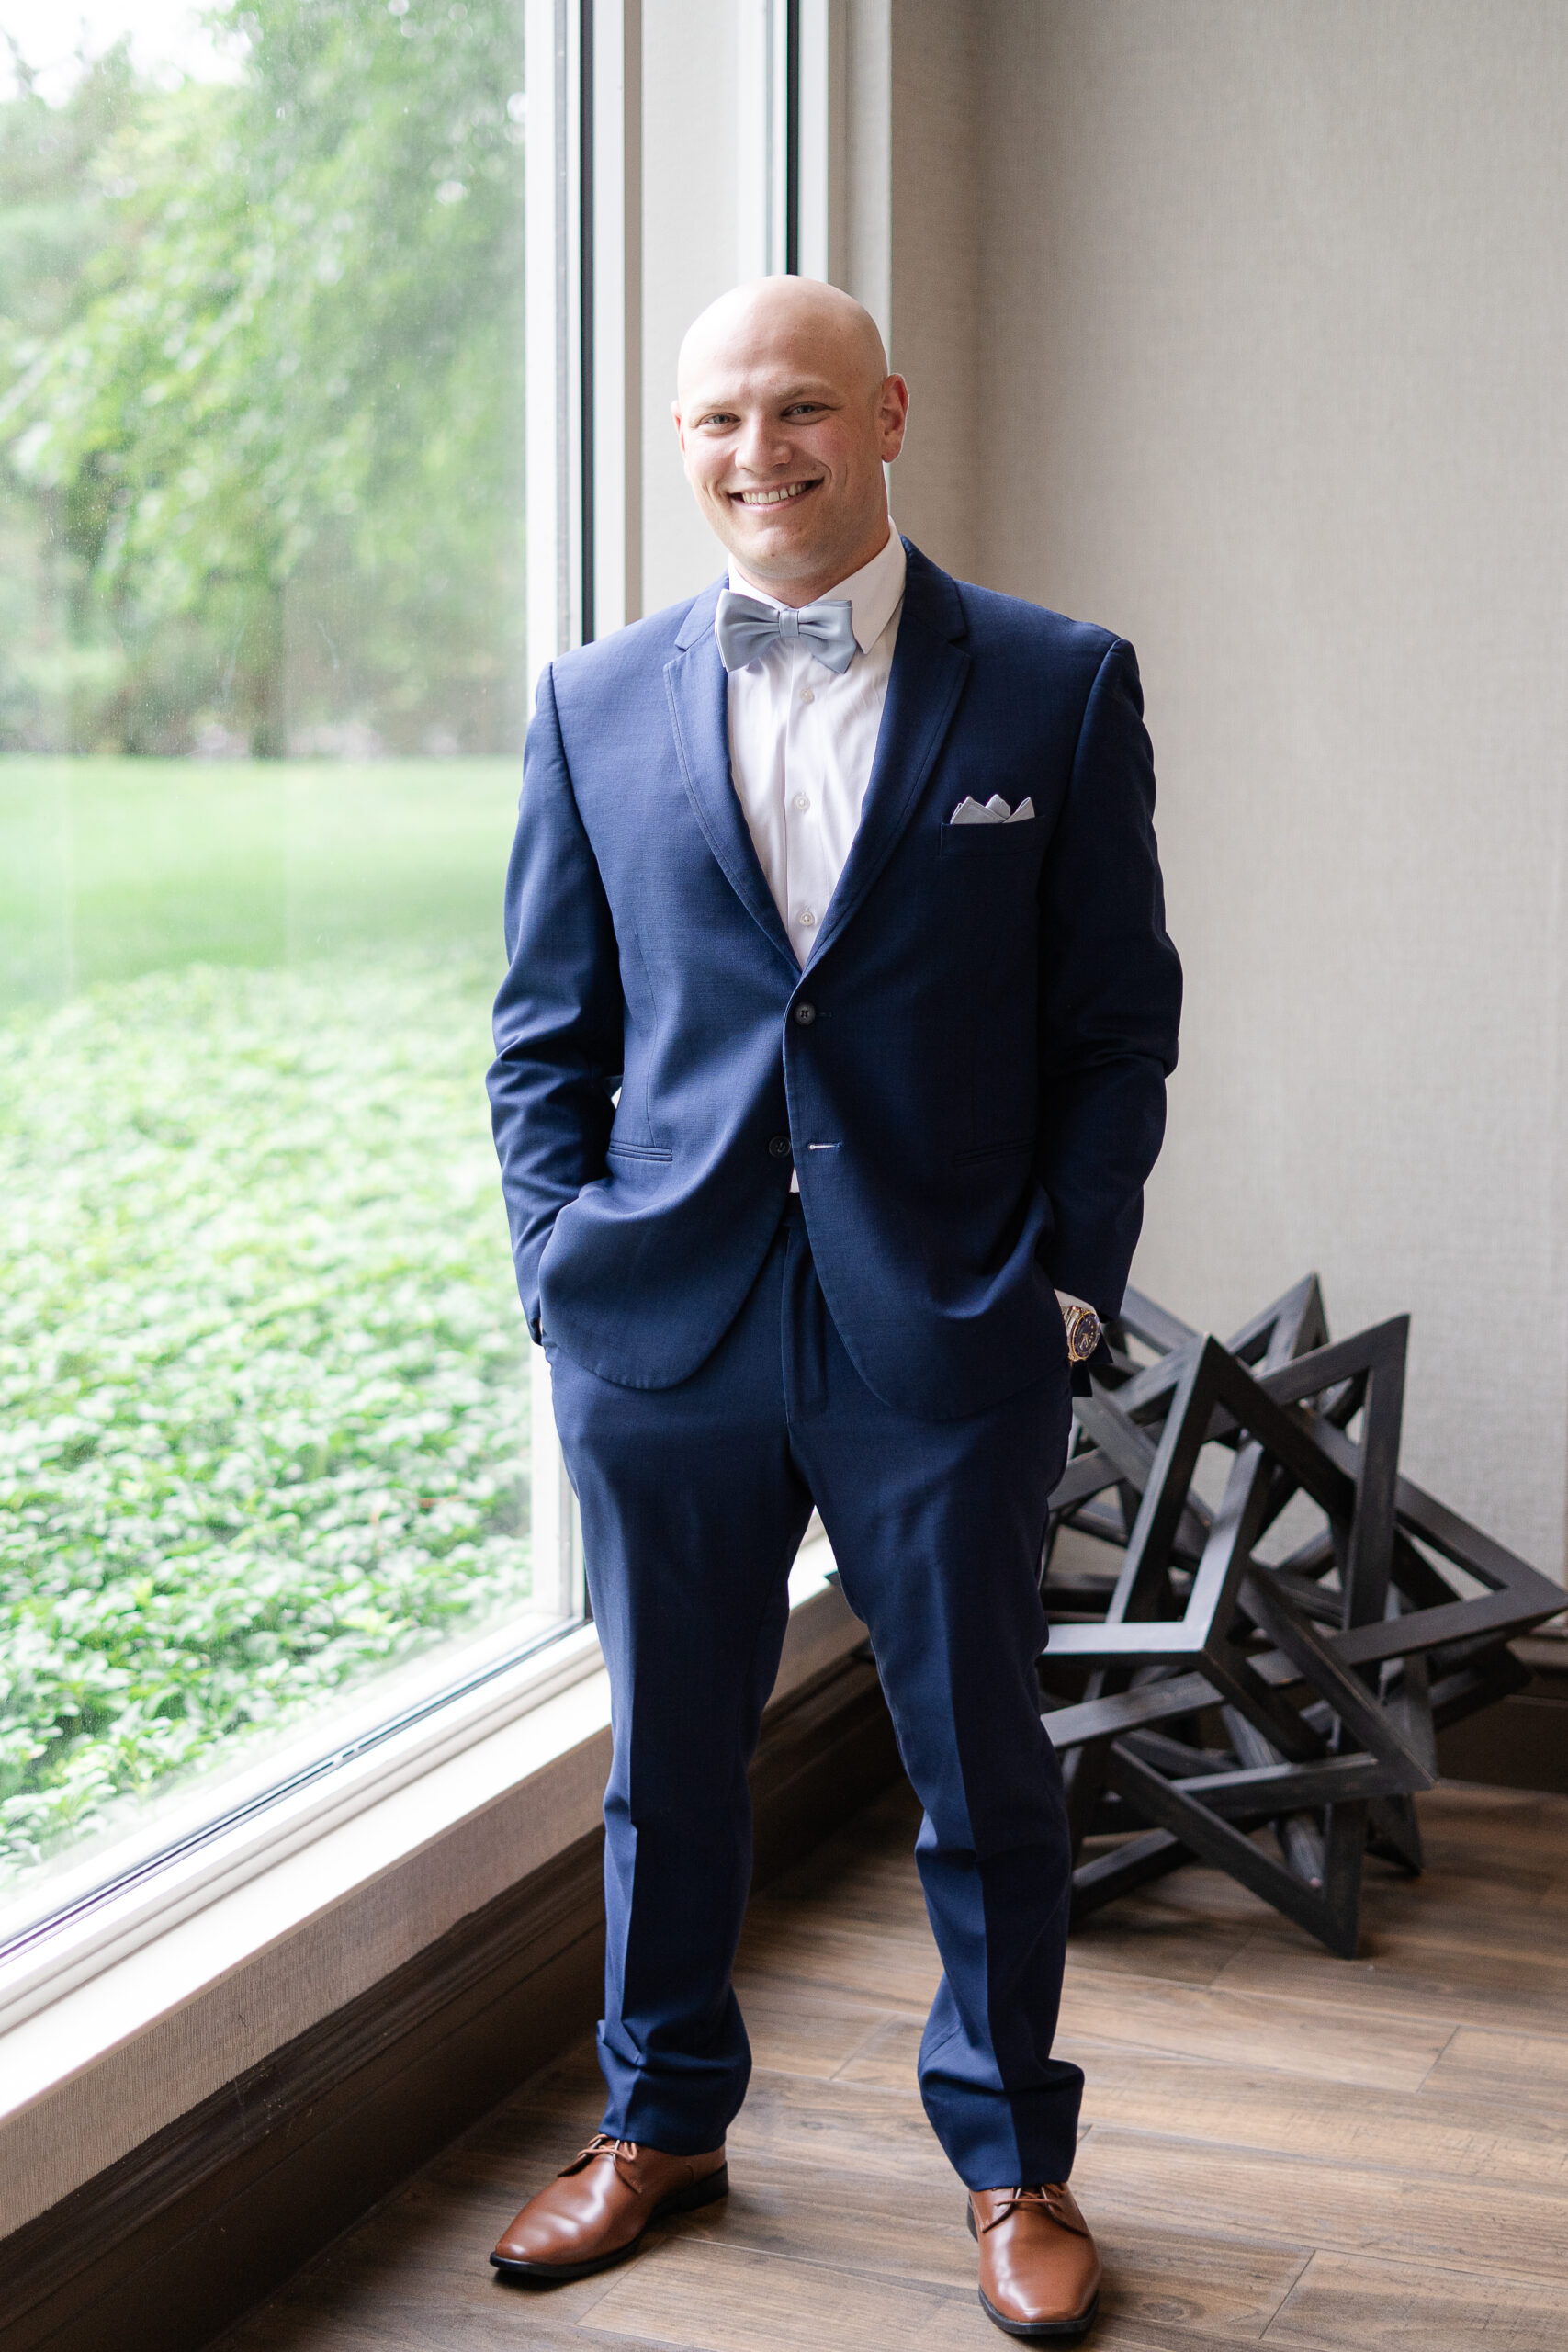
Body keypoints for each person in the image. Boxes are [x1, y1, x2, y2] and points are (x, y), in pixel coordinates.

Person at [485, 275, 1180, 2342]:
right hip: (664, 1333)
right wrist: (557, 1278)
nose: (753, 454)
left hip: (943, 1332)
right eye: (714, 421)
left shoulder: (1053, 687)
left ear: (882, 415)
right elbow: (543, 1038)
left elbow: (1115, 1026)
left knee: (980, 1765)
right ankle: (659, 2120)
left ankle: (1010, 2159)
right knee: (665, 1763)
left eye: (795, 409)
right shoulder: (589, 702)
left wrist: (1064, 1282)